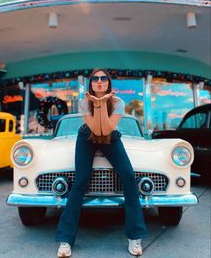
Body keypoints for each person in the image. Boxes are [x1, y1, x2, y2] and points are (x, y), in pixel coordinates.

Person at [55, 68, 147, 257]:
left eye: (103, 78)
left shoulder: (118, 102)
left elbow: (106, 130)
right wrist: (97, 104)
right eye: (95, 78)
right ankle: (65, 239)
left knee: (129, 177)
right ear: (91, 83)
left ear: (108, 82)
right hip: (86, 137)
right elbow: (95, 130)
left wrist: (103, 103)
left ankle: (135, 235)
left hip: (110, 137)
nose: (99, 81)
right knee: (80, 181)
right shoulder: (83, 103)